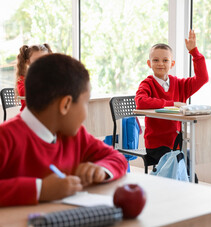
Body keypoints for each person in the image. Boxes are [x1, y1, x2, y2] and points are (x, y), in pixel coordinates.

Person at [0, 53, 128, 207]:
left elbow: (117, 158)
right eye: (85, 102)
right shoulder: (5, 138)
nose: (86, 111)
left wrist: (102, 170)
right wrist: (41, 189)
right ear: (66, 104)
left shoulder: (75, 136)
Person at [135, 30, 208, 163]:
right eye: (155, 60)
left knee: (189, 170)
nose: (160, 64)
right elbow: (140, 102)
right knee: (178, 164)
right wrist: (172, 103)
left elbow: (202, 78)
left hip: (177, 143)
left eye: (165, 60)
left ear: (172, 63)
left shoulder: (180, 84)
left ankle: (190, 183)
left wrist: (194, 52)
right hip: (156, 145)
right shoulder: (147, 83)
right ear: (149, 63)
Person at [15, 44, 53, 111]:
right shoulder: (22, 79)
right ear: (28, 62)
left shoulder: (52, 76)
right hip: (30, 116)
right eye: (37, 60)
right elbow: (29, 93)